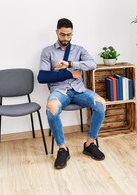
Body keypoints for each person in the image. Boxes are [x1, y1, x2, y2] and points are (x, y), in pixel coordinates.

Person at [38, 18, 106, 169]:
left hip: (78, 89)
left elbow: (92, 64)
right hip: (59, 91)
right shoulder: (47, 51)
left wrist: (70, 64)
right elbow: (42, 77)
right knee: (51, 108)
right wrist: (69, 74)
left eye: (69, 35)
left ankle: (89, 144)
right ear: (57, 32)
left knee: (101, 104)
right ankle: (62, 149)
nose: (66, 39)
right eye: (62, 35)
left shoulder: (79, 50)